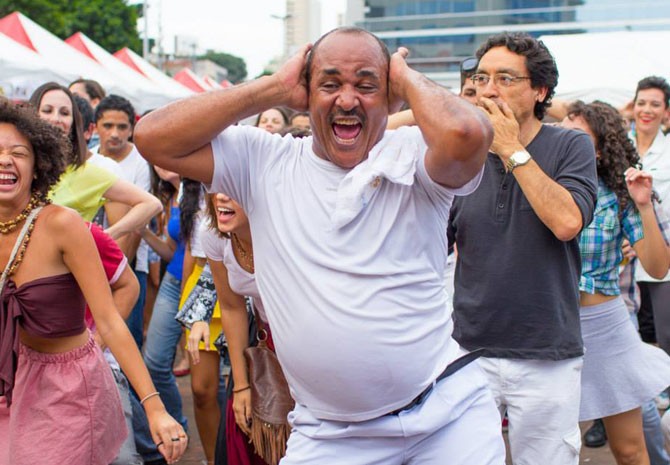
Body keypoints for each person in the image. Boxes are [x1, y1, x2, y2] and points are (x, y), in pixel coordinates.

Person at [135, 26, 505, 464]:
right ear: (306, 94)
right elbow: (153, 137)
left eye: (366, 85)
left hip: (446, 414)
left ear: (389, 96)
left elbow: (468, 134)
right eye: (330, 84)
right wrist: (272, 88)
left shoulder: (412, 155)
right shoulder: (264, 161)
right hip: (331, 434)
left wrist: (403, 78)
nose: (347, 100)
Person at [0, 101, 186, 464]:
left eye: (18, 153)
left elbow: (111, 319)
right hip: (15, 383)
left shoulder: (62, 225)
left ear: (39, 164)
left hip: (70, 387)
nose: (5, 160)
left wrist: (155, 408)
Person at [448, 31, 598, 465]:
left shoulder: (570, 145)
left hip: (546, 354)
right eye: (481, 77)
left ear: (540, 91)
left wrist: (510, 148)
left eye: (506, 79)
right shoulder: (462, 153)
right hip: (467, 350)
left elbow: (567, 222)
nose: (488, 89)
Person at [562, 100, 670, 465]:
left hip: (606, 326)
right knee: (554, 446)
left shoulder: (617, 196)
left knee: (629, 449)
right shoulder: (540, 187)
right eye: (561, 132)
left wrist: (643, 206)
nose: (563, 140)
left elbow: (657, 266)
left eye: (575, 136)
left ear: (597, 150)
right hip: (551, 328)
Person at [28, 83, 161, 234]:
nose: (56, 118)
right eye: (47, 110)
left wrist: (102, 238)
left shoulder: (84, 172)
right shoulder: (18, 165)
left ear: (73, 124)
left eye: (65, 113)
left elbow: (151, 203)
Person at [93, 94, 154, 350]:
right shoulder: (89, 158)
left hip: (129, 267)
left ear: (131, 128)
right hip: (87, 265)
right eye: (108, 126)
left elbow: (136, 226)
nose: (115, 133)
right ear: (95, 126)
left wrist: (118, 273)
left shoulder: (140, 163)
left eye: (122, 127)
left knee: (124, 343)